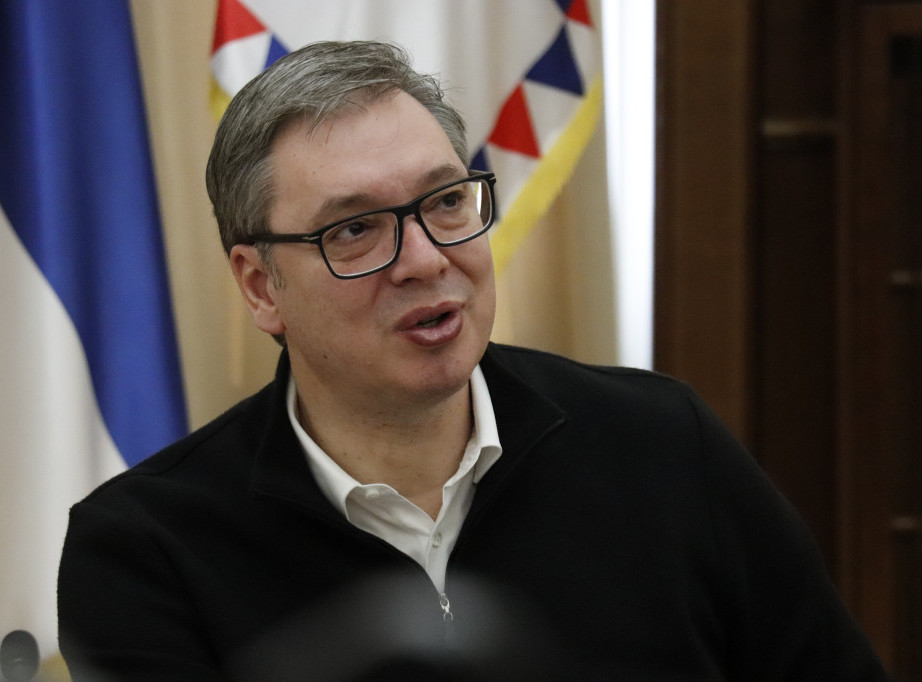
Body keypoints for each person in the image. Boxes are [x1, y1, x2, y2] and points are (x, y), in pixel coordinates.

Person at [57, 40, 892, 681]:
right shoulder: (144, 549)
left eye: (447, 201)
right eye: (356, 229)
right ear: (259, 285)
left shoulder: (665, 444)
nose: (426, 259)